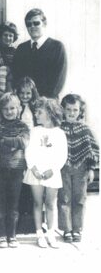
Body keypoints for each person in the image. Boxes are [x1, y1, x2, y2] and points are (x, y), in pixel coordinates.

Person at [22, 97, 67, 248]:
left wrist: (52, 170)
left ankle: (50, 233)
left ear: (49, 113)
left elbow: (62, 155)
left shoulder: (60, 133)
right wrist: (33, 168)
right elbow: (28, 151)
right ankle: (39, 233)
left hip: (52, 173)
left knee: (50, 203)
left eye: (39, 112)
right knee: (37, 202)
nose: (36, 115)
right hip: (35, 172)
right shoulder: (34, 131)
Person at [58, 94, 99, 243]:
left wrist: (91, 169)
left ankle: (77, 229)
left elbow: (93, 150)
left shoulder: (85, 129)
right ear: (63, 110)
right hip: (63, 167)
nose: (71, 113)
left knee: (80, 198)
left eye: (75, 110)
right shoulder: (59, 128)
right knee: (64, 198)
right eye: (68, 109)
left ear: (80, 111)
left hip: (81, 168)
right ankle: (67, 229)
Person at [0, 93, 29, 248]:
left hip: (17, 169)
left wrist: (6, 141)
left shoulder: (23, 126)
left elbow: (24, 142)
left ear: (19, 109)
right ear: (1, 111)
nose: (9, 111)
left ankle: (12, 235)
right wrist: (14, 143)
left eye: (12, 108)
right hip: (0, 169)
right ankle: (1, 234)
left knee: (13, 204)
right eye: (6, 109)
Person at [12, 8, 67, 98]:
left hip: (47, 102)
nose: (32, 26)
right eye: (29, 24)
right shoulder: (21, 49)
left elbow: (58, 80)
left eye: (36, 23)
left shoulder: (57, 47)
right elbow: (16, 77)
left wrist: (43, 101)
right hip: (25, 101)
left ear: (44, 24)